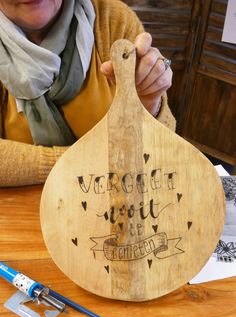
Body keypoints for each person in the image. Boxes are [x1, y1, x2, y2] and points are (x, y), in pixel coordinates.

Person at [0, 0, 175, 187]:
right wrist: (99, 162)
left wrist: (149, 102)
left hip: (112, 203)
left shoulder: (113, 20)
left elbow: (159, 147)